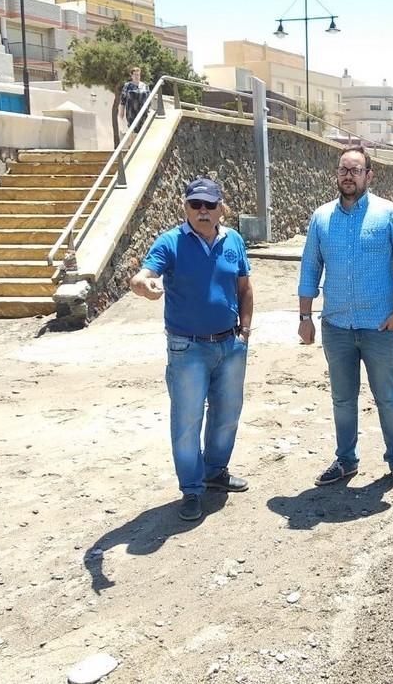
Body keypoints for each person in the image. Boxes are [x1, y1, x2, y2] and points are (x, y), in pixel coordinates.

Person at [130, 177, 253, 521]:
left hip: (230, 344)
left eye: (209, 205)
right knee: (187, 421)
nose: (202, 211)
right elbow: (143, 275)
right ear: (184, 207)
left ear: (220, 208)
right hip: (188, 348)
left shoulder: (234, 241)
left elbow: (244, 288)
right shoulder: (170, 242)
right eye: (195, 204)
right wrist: (144, 286)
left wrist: (244, 332)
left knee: (227, 414)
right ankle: (191, 489)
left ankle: (215, 472)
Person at [298, 145, 393, 491]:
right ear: (336, 174)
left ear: (369, 175)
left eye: (355, 170)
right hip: (336, 327)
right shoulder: (321, 218)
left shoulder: (390, 214)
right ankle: (346, 460)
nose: (348, 175)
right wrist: (305, 316)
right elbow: (309, 269)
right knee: (342, 398)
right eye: (343, 169)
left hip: (379, 327)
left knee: (387, 397)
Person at [119, 66, 150, 133]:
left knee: (143, 131)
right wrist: (121, 112)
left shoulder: (145, 86)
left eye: (138, 74)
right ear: (131, 76)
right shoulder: (127, 86)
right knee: (133, 130)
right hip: (131, 112)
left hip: (143, 112)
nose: (136, 76)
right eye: (135, 74)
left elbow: (149, 100)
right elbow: (123, 100)